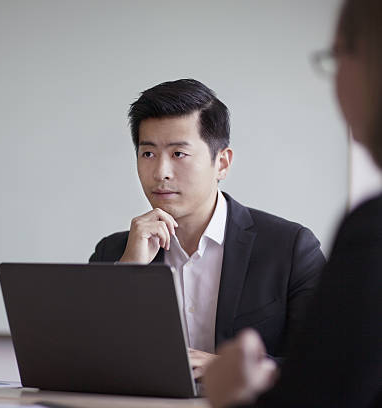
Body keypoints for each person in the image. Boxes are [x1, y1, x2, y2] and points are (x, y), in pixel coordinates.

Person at [203, 0, 382, 406]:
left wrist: (234, 391)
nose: (161, 171)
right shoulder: (119, 249)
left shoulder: (355, 233)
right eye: (147, 153)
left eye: (337, 57)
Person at [89, 79, 326, 378]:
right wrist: (127, 273)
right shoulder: (113, 252)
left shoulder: (290, 249)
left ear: (222, 163)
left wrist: (230, 369)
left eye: (178, 154)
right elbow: (88, 363)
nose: (160, 172)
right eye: (148, 153)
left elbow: (328, 366)